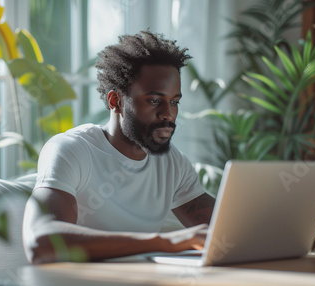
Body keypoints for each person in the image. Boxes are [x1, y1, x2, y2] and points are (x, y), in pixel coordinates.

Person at [22, 31, 215, 264]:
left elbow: (227, 229)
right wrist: (167, 242)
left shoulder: (173, 162)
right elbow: (41, 242)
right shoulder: (71, 150)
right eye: (154, 100)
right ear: (116, 101)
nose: (168, 113)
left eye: (174, 102)